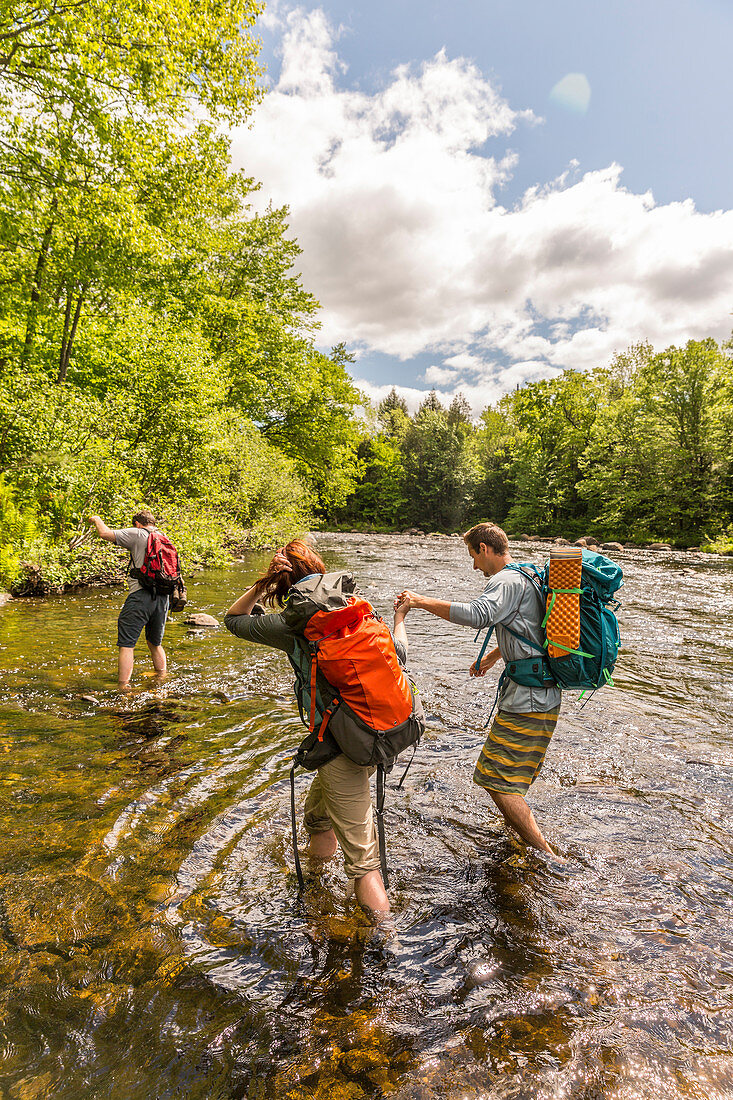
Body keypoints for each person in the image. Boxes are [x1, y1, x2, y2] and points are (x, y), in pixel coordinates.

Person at [224, 539, 412, 918]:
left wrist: (263, 583)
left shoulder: (291, 625)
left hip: (342, 744)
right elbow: (401, 654)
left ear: (284, 585)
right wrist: (400, 620)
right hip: (380, 729)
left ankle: (388, 944)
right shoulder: (358, 610)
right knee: (318, 816)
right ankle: (317, 882)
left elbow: (233, 619)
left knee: (364, 862)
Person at [396, 521, 562, 857]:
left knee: (494, 779)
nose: (474, 565)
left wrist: (417, 601)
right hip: (541, 693)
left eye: (473, 556)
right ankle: (516, 835)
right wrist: (495, 655)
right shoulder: (528, 575)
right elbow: (532, 627)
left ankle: (547, 856)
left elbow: (477, 614)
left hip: (528, 698)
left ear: (484, 549)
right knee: (509, 777)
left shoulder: (505, 580)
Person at [88, 510, 168, 687]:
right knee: (155, 643)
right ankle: (161, 679)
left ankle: (123, 687)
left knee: (127, 644)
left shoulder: (138, 533)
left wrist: (97, 519)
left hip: (140, 595)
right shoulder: (163, 537)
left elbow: (104, 533)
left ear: (138, 524)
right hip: (163, 598)